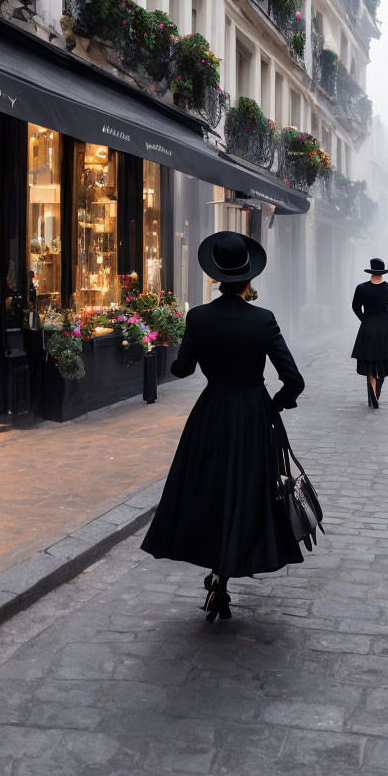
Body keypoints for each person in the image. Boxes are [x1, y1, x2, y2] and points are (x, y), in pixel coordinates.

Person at [140, 231, 306, 622]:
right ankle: (225, 573)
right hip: (252, 415)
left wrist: (165, 350)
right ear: (249, 280)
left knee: (211, 490)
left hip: (212, 414)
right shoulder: (263, 320)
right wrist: (273, 407)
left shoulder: (198, 317)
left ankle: (218, 573)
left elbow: (183, 370)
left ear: (216, 278)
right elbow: (294, 380)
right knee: (247, 492)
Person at [351, 258, 388, 409]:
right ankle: (377, 386)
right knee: (383, 358)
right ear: (382, 273)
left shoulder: (361, 288)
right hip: (384, 327)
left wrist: (364, 319)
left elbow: (355, 306)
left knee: (368, 357)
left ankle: (371, 380)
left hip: (367, 326)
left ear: (371, 272)